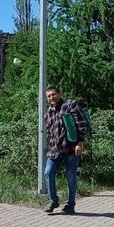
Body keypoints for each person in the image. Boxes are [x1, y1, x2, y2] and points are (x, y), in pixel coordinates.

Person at [43, 85, 88, 215]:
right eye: (49, 96)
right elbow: (50, 131)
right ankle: (53, 200)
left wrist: (80, 142)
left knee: (71, 177)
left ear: (59, 94)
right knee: (48, 172)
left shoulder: (70, 105)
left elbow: (81, 124)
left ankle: (70, 205)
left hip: (71, 148)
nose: (51, 97)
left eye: (53, 94)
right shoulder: (48, 112)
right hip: (54, 149)